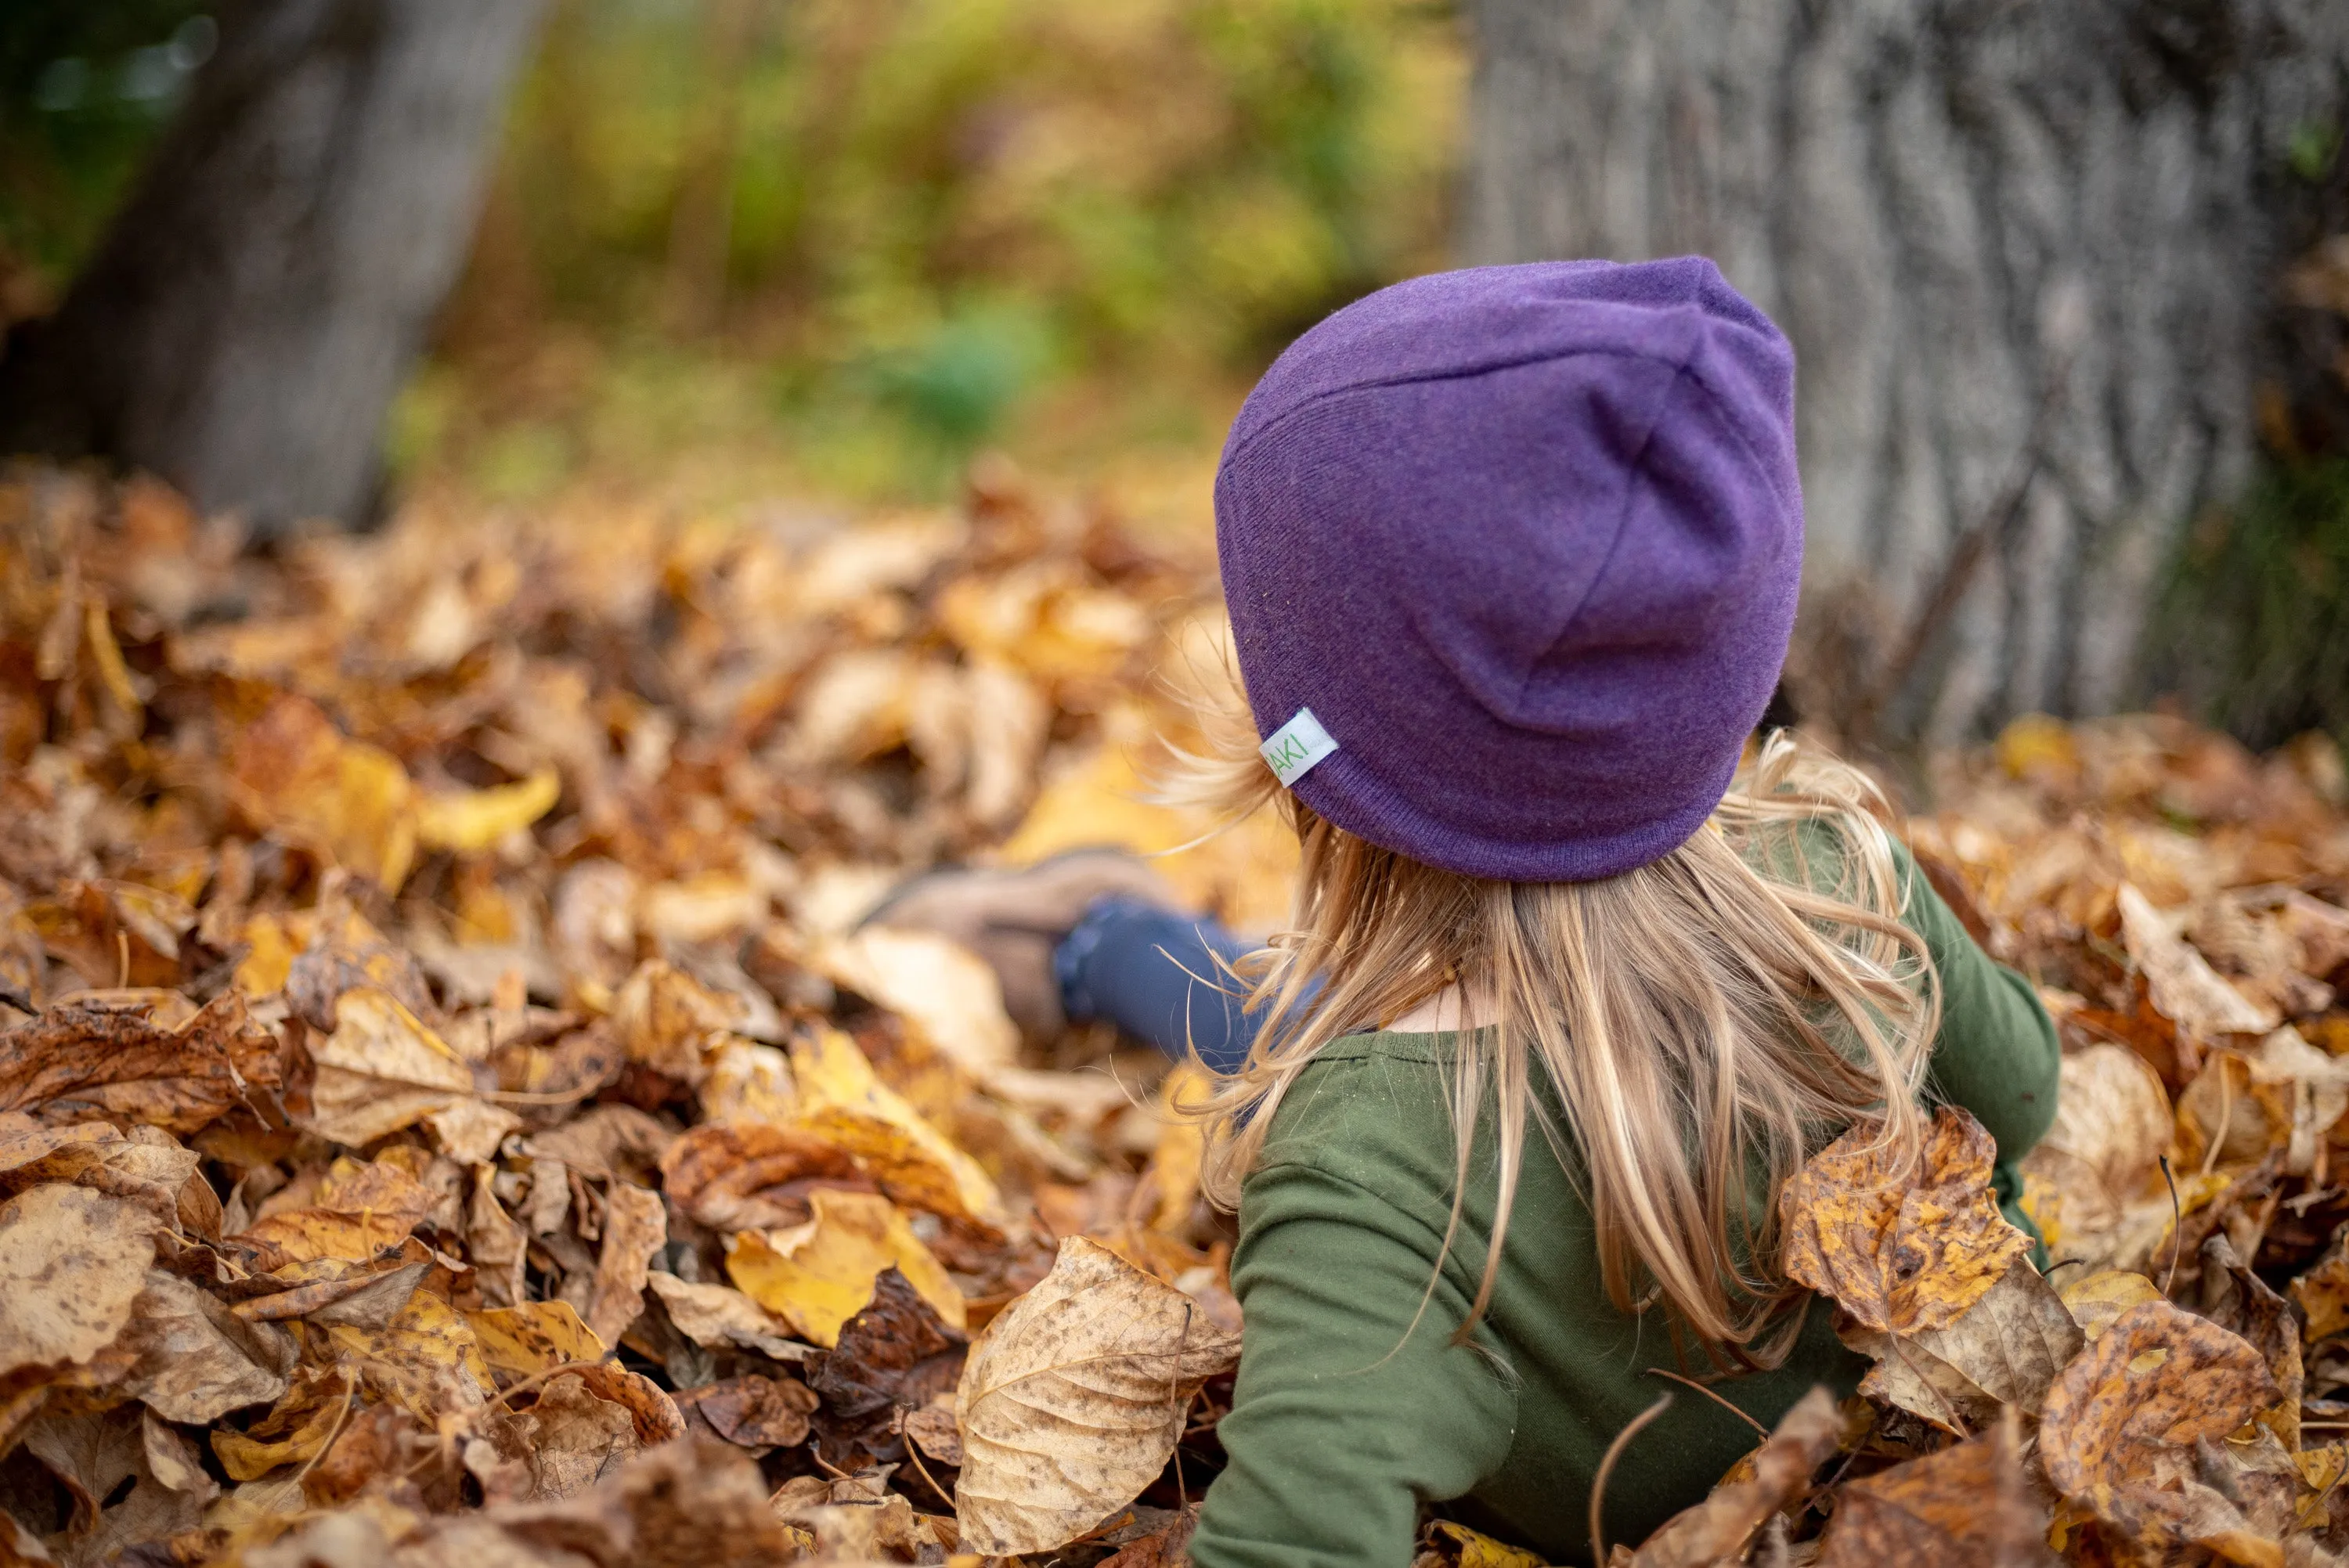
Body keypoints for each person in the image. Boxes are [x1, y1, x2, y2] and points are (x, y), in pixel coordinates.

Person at [870, 258, 2060, 1568]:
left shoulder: (1372, 1184)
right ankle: (1094, 936)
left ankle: (1101, 936)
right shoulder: (1849, 879)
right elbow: (2025, 1096)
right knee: (1325, 1025)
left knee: (1308, 1031)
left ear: (1310, 740)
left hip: (1409, 1096)